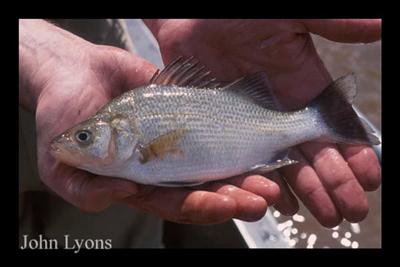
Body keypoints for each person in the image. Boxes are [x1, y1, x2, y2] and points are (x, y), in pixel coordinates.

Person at [19, 19, 381, 248]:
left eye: (84, 137)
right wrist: (42, 60)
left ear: (120, 131)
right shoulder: (123, 150)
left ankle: (320, 118)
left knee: (104, 230)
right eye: (83, 137)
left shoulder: (126, 157)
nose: (72, 142)